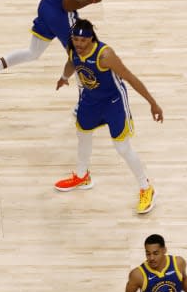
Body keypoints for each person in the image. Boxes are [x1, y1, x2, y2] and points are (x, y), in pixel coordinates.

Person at [52, 19, 162, 214]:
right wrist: (63, 78)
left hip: (113, 103)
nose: (78, 43)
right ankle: (82, 175)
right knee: (82, 136)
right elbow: (71, 63)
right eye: (75, 39)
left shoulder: (105, 55)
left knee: (122, 147)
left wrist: (152, 103)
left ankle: (146, 187)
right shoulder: (73, 50)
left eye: (82, 40)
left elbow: (130, 77)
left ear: (91, 39)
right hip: (90, 100)